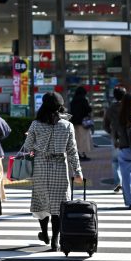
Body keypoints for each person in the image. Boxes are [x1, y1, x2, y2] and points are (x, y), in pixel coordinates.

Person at [21, 91, 82, 250]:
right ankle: (55, 240)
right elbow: (72, 151)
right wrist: (77, 172)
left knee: (42, 202)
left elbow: (27, 148)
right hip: (60, 167)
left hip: (41, 167)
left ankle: (45, 234)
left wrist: (32, 147)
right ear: (60, 106)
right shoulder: (67, 125)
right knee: (58, 205)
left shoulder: (36, 124)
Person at [103, 85, 127, 193]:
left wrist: (111, 132)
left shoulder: (111, 108)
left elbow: (105, 124)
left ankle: (118, 182)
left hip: (116, 137)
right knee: (129, 160)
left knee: (115, 161)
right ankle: (128, 182)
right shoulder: (129, 106)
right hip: (128, 138)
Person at [70, 86, 94, 161]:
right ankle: (82, 154)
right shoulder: (84, 100)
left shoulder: (73, 101)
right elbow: (88, 109)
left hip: (74, 122)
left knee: (76, 139)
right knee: (83, 139)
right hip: (83, 123)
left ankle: (78, 154)